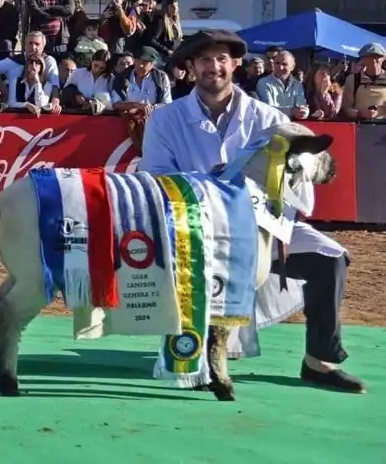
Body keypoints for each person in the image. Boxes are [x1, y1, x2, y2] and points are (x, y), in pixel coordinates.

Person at [139, 29, 365, 393]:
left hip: (260, 233)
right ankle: (195, 352)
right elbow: (156, 179)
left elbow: (301, 184)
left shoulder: (269, 118)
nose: (214, 67)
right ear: (192, 67)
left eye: (222, 59)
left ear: (236, 64)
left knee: (330, 257)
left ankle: (319, 362)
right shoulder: (165, 119)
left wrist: (284, 178)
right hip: (193, 235)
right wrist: (209, 185)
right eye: (206, 60)